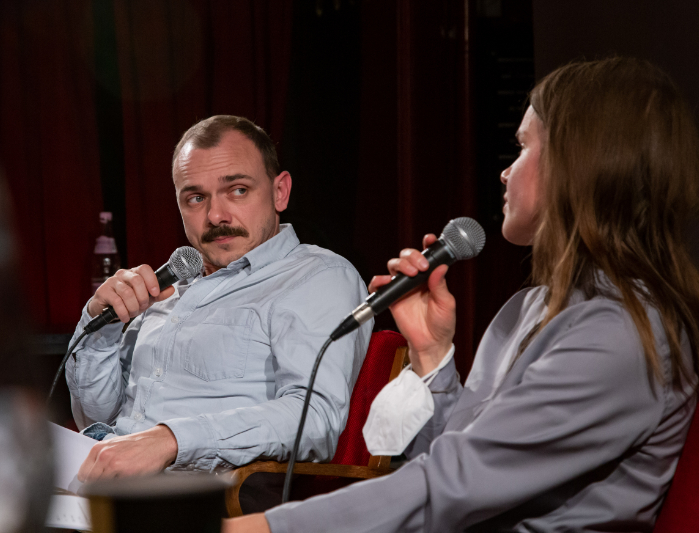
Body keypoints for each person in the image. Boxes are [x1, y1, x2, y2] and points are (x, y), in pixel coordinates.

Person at [224, 57, 699, 532]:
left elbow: (453, 486)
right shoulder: (528, 307)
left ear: (579, 164)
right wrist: (432, 357)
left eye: (522, 148)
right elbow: (453, 459)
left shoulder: (618, 333)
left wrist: (268, 528)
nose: (505, 173)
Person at [66, 115, 373, 481]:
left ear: (280, 192)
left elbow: (312, 418)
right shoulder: (166, 289)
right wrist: (100, 325)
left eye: (238, 190)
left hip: (202, 501)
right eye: (196, 198)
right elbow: (95, 417)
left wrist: (171, 441)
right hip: (103, 482)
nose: (215, 215)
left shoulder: (317, 277)